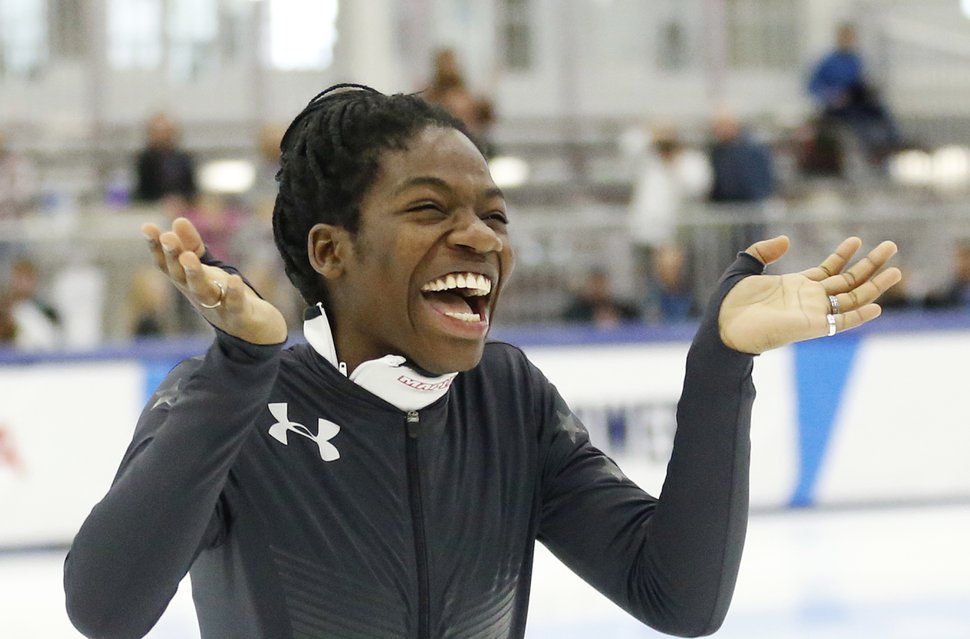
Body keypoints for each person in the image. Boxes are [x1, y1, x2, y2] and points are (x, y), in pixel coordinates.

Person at [64, 84, 901, 639]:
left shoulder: (508, 397)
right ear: (331, 250)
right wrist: (243, 367)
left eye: (493, 215)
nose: (479, 237)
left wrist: (721, 366)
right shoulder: (233, 403)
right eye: (430, 208)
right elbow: (106, 608)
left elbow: (678, 595)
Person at [807, 23, 901, 165]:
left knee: (880, 111)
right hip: (840, 108)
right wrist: (832, 96)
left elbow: (862, 83)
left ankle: (895, 144)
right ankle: (872, 156)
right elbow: (813, 87)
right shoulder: (828, 62)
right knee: (860, 125)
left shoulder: (858, 60)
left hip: (858, 101)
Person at [133, 112, 198, 203]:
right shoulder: (144, 160)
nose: (162, 136)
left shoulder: (184, 159)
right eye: (157, 132)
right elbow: (142, 190)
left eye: (165, 132)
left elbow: (191, 189)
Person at [560, 267, 641, 327]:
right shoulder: (575, 312)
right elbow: (569, 325)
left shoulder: (623, 309)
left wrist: (618, 320)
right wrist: (593, 320)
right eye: (595, 285)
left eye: (602, 284)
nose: (598, 289)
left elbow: (637, 322)